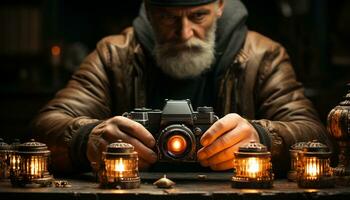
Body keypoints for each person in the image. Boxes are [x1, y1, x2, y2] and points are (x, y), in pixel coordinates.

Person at [32, 0, 332, 177]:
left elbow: (314, 135)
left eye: (198, 15)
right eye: (168, 17)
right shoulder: (114, 55)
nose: (185, 32)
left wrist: (260, 137)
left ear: (219, 7)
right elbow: (44, 129)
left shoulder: (262, 56)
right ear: (149, 12)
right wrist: (88, 139)